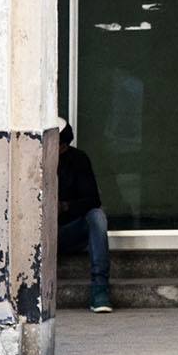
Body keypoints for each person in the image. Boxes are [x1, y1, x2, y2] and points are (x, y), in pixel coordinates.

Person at [57, 125, 112, 312]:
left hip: (67, 231)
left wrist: (65, 206)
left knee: (97, 216)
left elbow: (92, 200)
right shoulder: (30, 157)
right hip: (38, 237)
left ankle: (100, 288)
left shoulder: (77, 160)